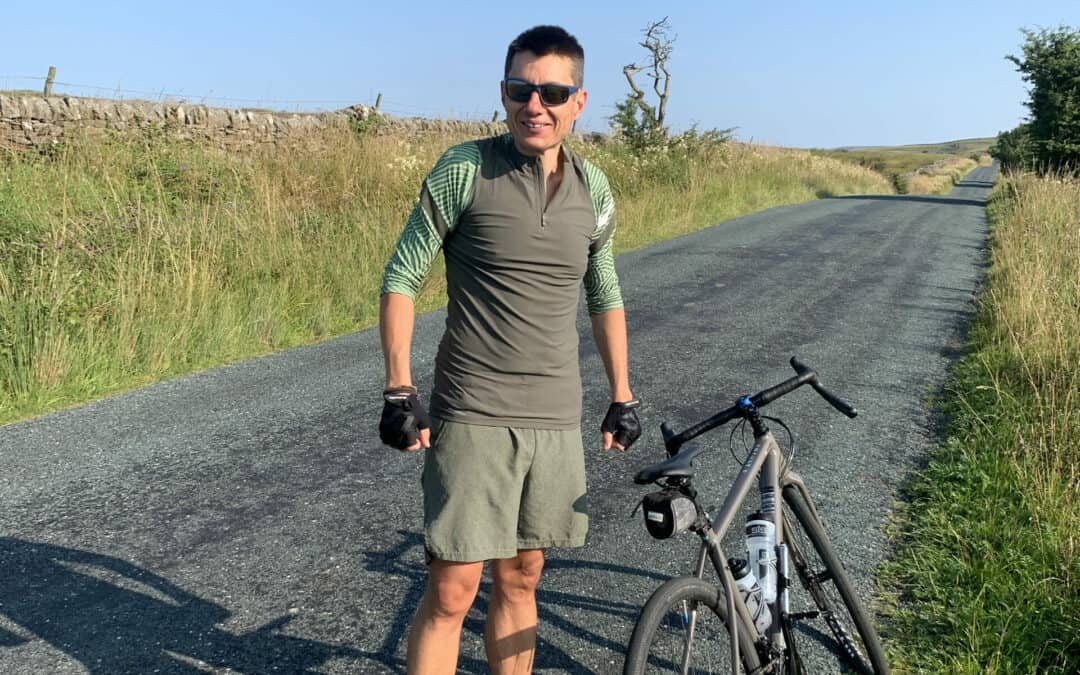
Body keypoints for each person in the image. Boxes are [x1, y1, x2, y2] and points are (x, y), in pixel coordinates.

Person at [377, 24, 641, 675]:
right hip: (473, 411)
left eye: (553, 92)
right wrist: (398, 387)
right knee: (452, 588)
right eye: (521, 90)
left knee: (523, 576)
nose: (535, 105)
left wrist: (622, 395)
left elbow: (604, 292)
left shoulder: (594, 188)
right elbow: (402, 275)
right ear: (503, 93)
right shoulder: (465, 169)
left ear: (579, 102)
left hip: (554, 415)